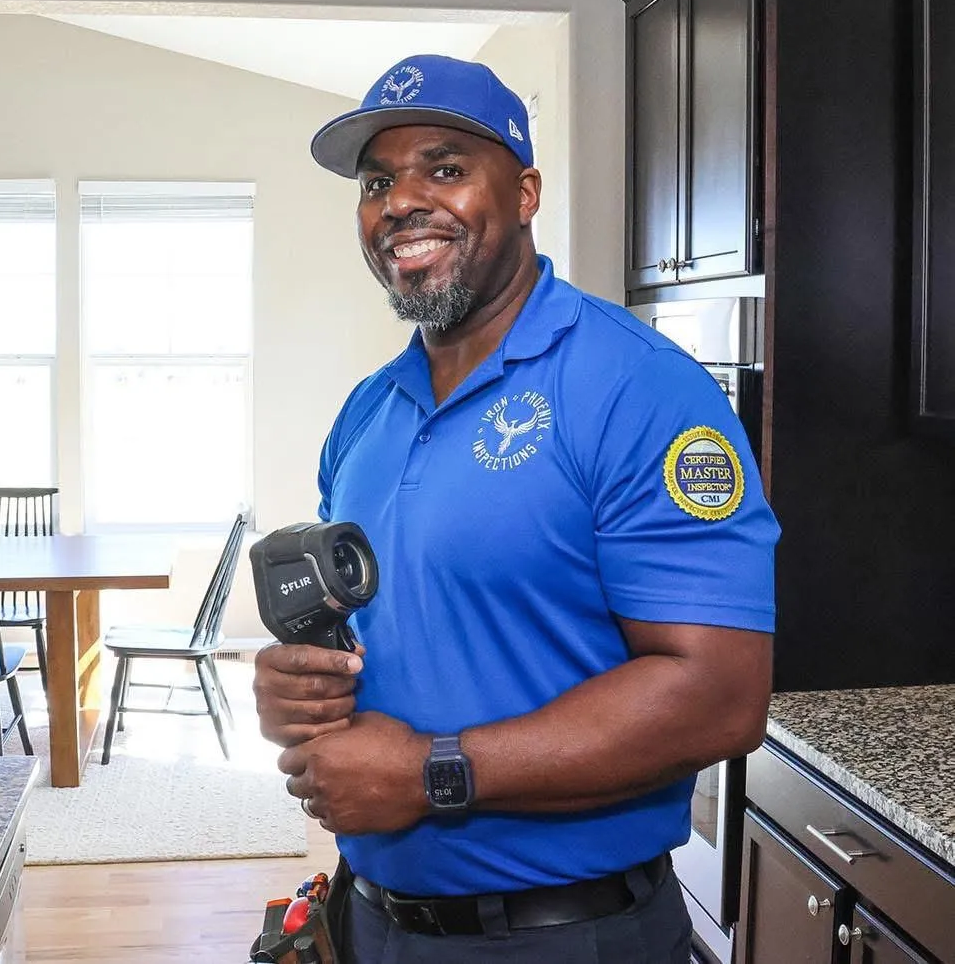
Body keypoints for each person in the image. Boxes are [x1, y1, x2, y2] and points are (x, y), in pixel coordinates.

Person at [253, 54, 780, 963]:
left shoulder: (637, 388)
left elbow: (720, 697)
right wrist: (302, 690)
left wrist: (431, 773)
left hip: (566, 933)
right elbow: (406, 641)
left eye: (446, 168)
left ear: (526, 193)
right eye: (378, 182)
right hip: (373, 919)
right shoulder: (367, 413)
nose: (402, 202)